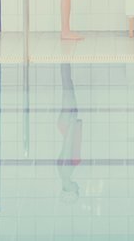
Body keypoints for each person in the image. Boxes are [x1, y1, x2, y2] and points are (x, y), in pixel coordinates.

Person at [56, 63, 82, 202]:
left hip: (67, 124)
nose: (78, 187)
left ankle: (64, 57)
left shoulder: (66, 172)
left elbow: (67, 146)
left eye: (77, 190)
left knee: (67, 86)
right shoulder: (62, 174)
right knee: (67, 84)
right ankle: (65, 59)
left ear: (70, 191)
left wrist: (72, 124)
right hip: (65, 124)